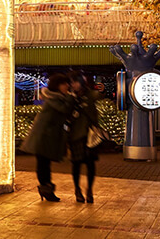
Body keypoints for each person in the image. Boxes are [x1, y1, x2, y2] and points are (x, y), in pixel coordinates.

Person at [20, 72, 73, 201]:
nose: (67, 86)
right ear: (57, 86)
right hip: (43, 138)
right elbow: (66, 110)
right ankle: (46, 190)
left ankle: (46, 190)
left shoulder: (57, 98)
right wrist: (71, 97)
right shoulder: (54, 100)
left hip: (46, 137)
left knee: (44, 164)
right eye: (64, 83)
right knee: (43, 165)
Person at [67, 72, 100, 203]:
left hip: (90, 136)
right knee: (76, 165)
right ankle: (77, 189)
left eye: (75, 82)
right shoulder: (70, 98)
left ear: (81, 82)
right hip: (75, 136)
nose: (73, 85)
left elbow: (95, 112)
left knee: (90, 165)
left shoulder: (90, 95)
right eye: (72, 82)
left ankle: (89, 190)